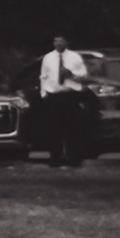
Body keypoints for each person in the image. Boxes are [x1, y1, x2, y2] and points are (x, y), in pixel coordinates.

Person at [40, 36, 89, 167]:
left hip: (70, 95)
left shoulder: (75, 57)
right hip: (54, 96)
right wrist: (44, 93)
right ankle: (55, 158)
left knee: (73, 128)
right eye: (56, 41)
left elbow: (84, 75)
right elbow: (43, 76)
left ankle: (74, 159)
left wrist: (71, 74)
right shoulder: (48, 57)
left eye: (61, 41)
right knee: (53, 129)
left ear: (66, 42)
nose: (59, 43)